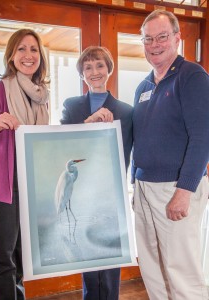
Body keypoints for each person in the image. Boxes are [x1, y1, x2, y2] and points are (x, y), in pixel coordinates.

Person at [132, 10, 209, 300]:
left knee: (181, 274)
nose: (154, 44)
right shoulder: (143, 86)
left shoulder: (192, 76)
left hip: (175, 189)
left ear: (177, 38)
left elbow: (203, 137)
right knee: (152, 269)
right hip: (143, 189)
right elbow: (140, 138)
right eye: (148, 39)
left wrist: (185, 190)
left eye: (162, 36)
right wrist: (133, 182)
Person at [0, 29, 49, 300]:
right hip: (0, 187)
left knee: (21, 257)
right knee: (2, 257)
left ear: (41, 56)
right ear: (12, 56)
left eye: (34, 49)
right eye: (22, 49)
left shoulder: (42, 96)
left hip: (29, 184)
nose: (29, 55)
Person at [60, 46, 133, 300]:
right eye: (87, 67)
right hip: (82, 195)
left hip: (112, 197)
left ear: (109, 69)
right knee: (88, 263)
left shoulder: (126, 111)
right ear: (81, 74)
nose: (94, 72)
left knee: (111, 262)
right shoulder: (71, 106)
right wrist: (88, 124)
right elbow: (63, 145)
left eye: (99, 65)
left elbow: (130, 154)